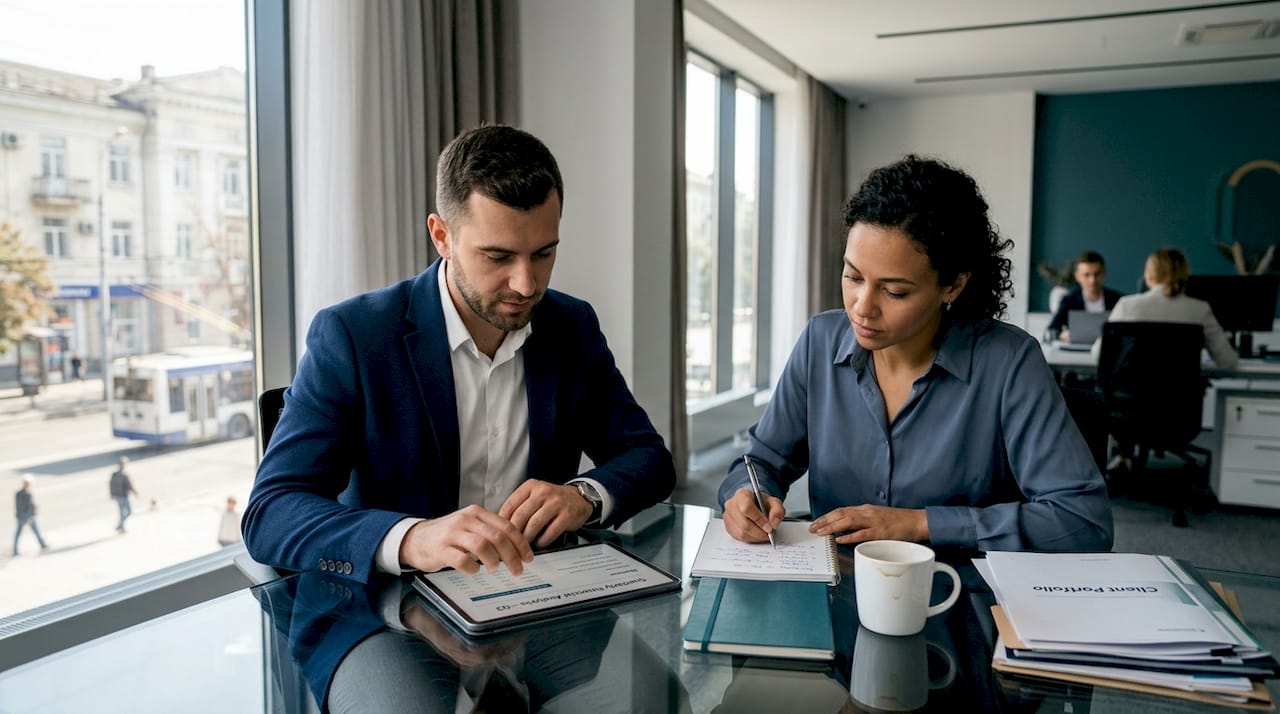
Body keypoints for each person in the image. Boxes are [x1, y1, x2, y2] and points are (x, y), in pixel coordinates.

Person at [243, 125, 676, 583]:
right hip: (395, 620)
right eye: (497, 257)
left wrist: (585, 495)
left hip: (539, 601)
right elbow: (270, 513)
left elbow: (648, 458)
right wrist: (413, 539)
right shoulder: (354, 335)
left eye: (544, 254)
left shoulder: (571, 326)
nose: (526, 285)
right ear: (441, 236)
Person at [718, 155, 1114, 553]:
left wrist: (920, 523)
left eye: (895, 292)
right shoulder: (820, 340)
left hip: (960, 594)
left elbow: (1081, 520)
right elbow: (761, 461)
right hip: (838, 585)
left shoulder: (1009, 361)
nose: (862, 307)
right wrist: (744, 496)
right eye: (853, 276)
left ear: (953, 286)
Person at [1104, 247, 1238, 368]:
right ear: (1185, 275)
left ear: (1148, 276)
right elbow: (1228, 362)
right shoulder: (1200, 310)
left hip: (1129, 392)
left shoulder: (1126, 305)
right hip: (1180, 393)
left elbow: (1100, 353)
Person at [1046, 250, 1124, 341]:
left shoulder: (1119, 300)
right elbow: (1051, 330)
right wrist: (1061, 335)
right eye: (1087, 275)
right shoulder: (1069, 300)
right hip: (1077, 353)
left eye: (1097, 274)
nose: (1092, 280)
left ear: (1104, 274)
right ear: (1077, 277)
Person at [12, 475, 49, 556]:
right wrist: (30, 515)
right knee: (36, 531)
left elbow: (18, 506)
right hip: (29, 516)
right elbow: (29, 506)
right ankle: (42, 544)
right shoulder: (28, 493)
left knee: (18, 533)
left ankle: (14, 550)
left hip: (20, 516)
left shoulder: (18, 493)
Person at [109, 456, 137, 533]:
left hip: (118, 496)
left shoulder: (114, 474)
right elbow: (129, 485)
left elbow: (111, 485)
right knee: (128, 511)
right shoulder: (124, 475)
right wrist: (135, 492)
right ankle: (120, 525)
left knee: (122, 512)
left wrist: (112, 494)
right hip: (123, 496)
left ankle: (121, 526)